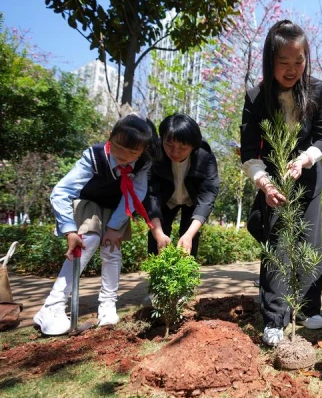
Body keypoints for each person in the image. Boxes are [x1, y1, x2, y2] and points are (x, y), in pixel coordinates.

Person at [240, 19, 322, 346]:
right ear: (270, 61)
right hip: (274, 182)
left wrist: (306, 158)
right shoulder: (255, 98)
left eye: (299, 61)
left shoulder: (317, 90)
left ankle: (309, 307)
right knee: (277, 246)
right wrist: (264, 183)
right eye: (284, 62)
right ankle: (275, 318)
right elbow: (249, 152)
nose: (293, 69)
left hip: (308, 180)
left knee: (310, 242)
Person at [34, 113, 159, 336]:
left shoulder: (142, 164)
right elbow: (61, 191)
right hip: (89, 203)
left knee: (112, 249)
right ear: (110, 137)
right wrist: (70, 230)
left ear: (143, 150)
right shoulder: (94, 156)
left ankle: (108, 305)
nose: (124, 156)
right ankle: (51, 308)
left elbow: (137, 192)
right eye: (119, 147)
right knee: (88, 241)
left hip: (117, 207)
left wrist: (114, 227)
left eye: (133, 152)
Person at [144, 113, 219, 257]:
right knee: (157, 239)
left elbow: (208, 195)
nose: (175, 152)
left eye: (182, 147)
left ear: (193, 146)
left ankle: (188, 276)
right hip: (165, 200)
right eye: (169, 145)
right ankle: (157, 276)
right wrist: (158, 233)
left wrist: (189, 235)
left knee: (189, 239)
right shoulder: (155, 153)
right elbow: (150, 194)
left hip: (192, 200)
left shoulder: (205, 155)